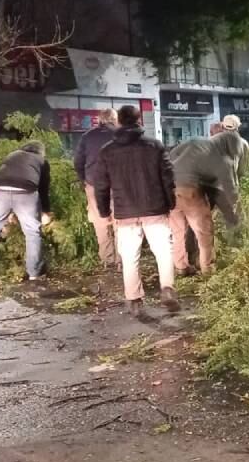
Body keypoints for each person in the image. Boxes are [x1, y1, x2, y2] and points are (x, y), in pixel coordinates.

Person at [94, 105, 180, 315]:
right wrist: (170, 203)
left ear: (119, 122)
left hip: (125, 211)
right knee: (163, 251)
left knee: (130, 255)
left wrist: (104, 211)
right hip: (154, 208)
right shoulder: (155, 146)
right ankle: (167, 288)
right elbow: (167, 177)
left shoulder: (107, 151)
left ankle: (134, 299)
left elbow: (101, 185)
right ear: (139, 119)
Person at [168, 125, 248, 276]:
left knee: (178, 231)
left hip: (169, 188)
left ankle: (181, 267)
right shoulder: (223, 160)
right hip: (190, 190)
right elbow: (231, 192)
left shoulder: (197, 141)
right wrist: (239, 212)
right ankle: (207, 268)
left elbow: (172, 155)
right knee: (204, 231)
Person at [0, 140, 52, 280]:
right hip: (26, 192)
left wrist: (9, 209)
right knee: (32, 232)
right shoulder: (41, 160)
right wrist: (45, 210)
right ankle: (34, 273)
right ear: (41, 152)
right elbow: (43, 189)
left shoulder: (12, 155)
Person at [73, 108, 119, 267]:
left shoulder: (88, 136)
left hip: (94, 184)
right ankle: (122, 260)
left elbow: (78, 161)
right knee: (120, 221)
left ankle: (108, 259)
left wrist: (84, 180)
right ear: (114, 119)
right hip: (118, 185)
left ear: (100, 119)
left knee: (101, 221)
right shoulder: (121, 135)